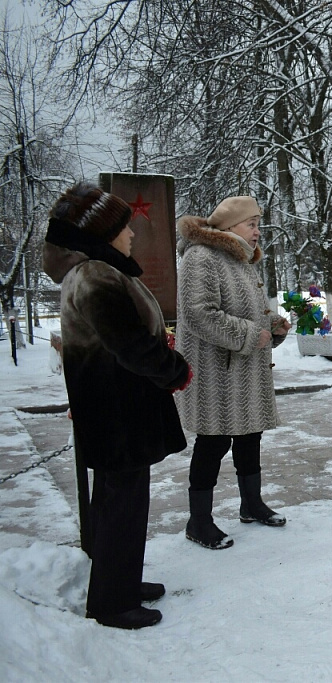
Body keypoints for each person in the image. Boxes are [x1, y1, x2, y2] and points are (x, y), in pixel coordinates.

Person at [42, 182, 191, 629]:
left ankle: (119, 583)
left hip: (114, 409)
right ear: (103, 234)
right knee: (121, 506)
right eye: (123, 228)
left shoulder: (95, 272)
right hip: (117, 411)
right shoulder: (95, 276)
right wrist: (173, 370)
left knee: (119, 502)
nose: (131, 234)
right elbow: (129, 344)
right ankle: (113, 603)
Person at [175, 196, 291, 550]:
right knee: (213, 442)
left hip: (245, 371)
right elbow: (199, 313)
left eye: (258, 224)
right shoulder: (201, 256)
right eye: (251, 224)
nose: (257, 231)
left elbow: (247, 309)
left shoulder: (241, 259)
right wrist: (249, 335)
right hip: (215, 373)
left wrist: (273, 324)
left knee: (250, 437)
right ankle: (198, 521)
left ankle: (251, 504)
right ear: (229, 226)